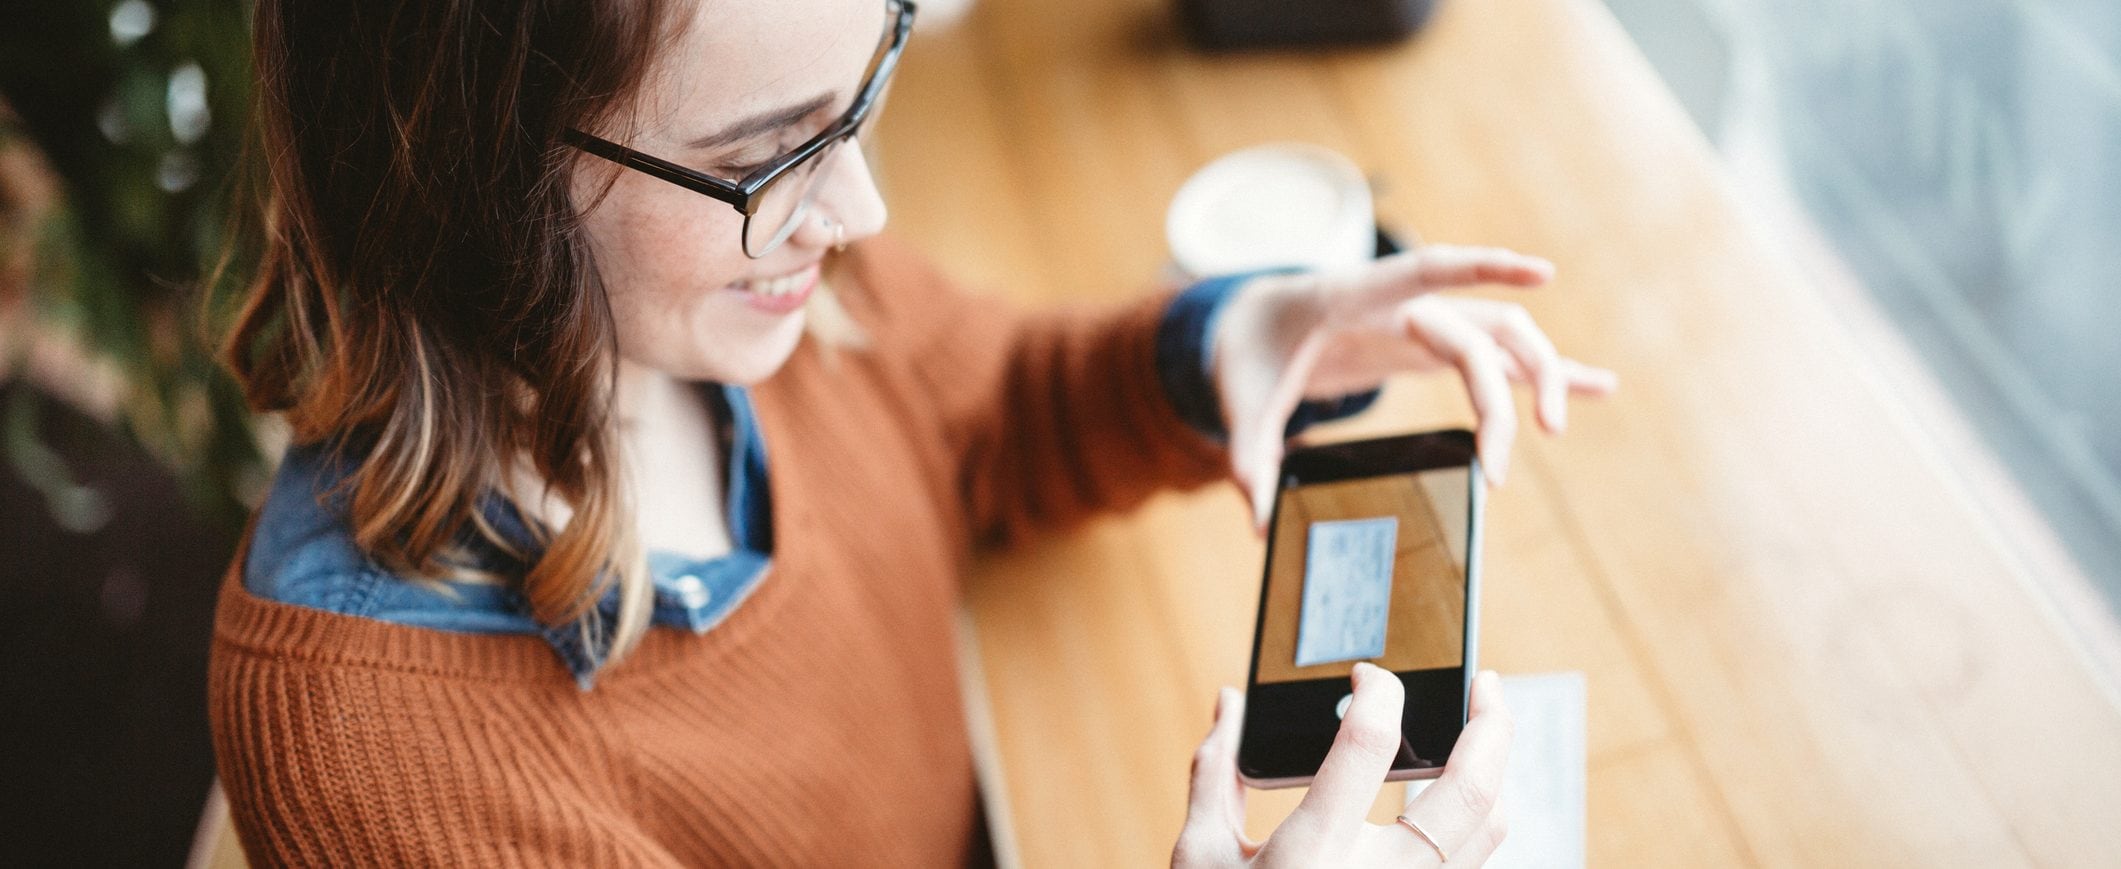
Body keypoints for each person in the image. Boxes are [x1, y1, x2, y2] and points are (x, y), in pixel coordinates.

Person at [208, 0, 1616, 865]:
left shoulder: (749, 287)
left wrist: (1219, 347)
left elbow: (981, 411)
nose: (862, 211)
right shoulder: (374, 764)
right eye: (764, 155)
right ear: (465, 173)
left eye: (861, 92)